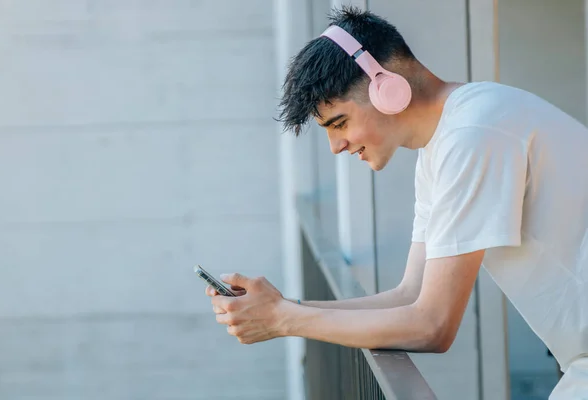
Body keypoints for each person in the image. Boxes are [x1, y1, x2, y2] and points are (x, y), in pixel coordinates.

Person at [205, 6, 588, 399]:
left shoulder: (473, 134)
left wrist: (284, 321)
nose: (337, 146)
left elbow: (433, 325)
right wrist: (285, 306)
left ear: (387, 88)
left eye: (339, 123)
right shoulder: (447, 142)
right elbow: (410, 295)